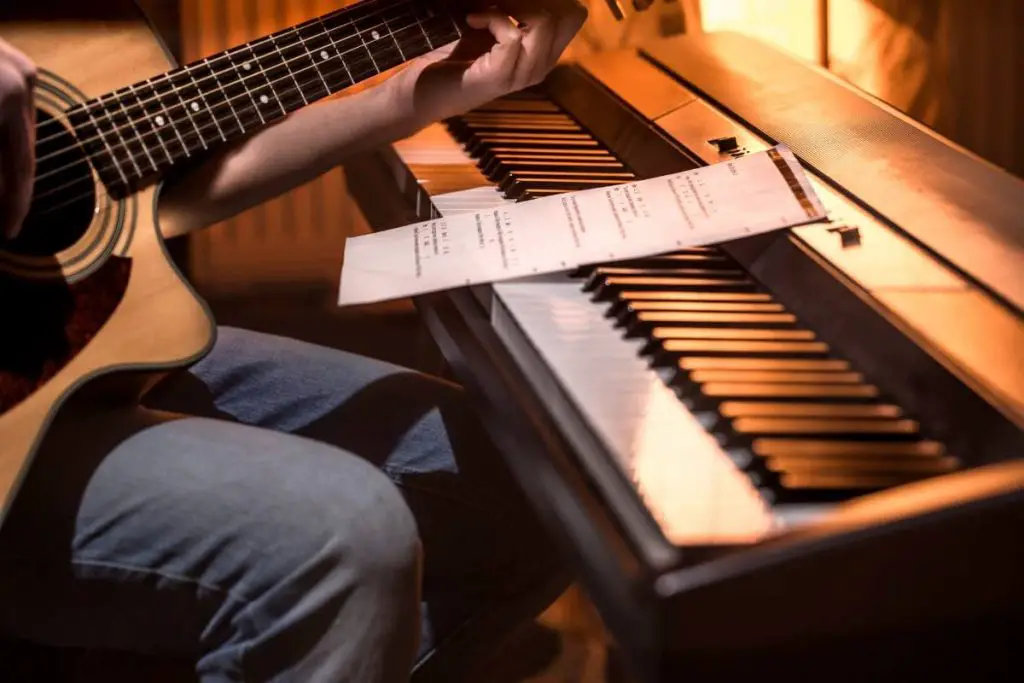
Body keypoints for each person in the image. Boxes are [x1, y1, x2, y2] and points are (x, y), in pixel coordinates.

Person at [0, 1, 587, 681]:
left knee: (541, 487)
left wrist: (408, 94)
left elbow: (150, 181)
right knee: (344, 534)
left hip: (55, 364)